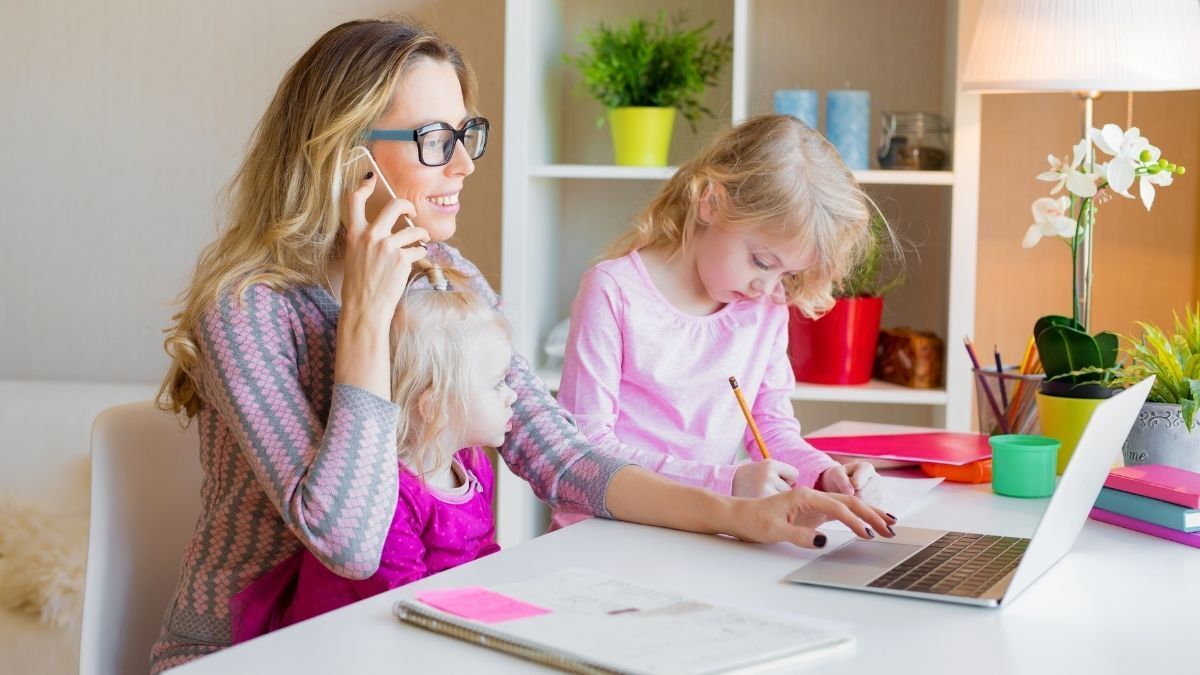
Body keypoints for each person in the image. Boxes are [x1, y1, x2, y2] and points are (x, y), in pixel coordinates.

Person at [150, 19, 894, 672]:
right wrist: (365, 324)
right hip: (252, 652)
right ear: (347, 157)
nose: (466, 164)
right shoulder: (250, 310)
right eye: (434, 140)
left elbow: (564, 455)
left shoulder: (446, 280)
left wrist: (741, 512)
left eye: (466, 134)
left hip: (394, 632)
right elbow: (349, 543)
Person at [552, 115, 886, 529]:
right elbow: (586, 451)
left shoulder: (766, 307)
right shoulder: (614, 291)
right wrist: (725, 484)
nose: (767, 287)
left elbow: (772, 429)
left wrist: (822, 473)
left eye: (787, 274)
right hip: (606, 530)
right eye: (762, 262)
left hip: (703, 531)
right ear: (711, 202)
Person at [228, 267, 511, 642]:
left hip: (421, 634)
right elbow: (403, 600)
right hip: (343, 646)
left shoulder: (472, 466)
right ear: (435, 405)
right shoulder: (388, 493)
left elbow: (484, 555)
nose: (512, 395)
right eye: (497, 385)